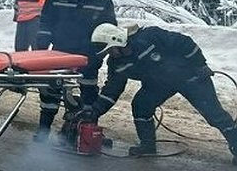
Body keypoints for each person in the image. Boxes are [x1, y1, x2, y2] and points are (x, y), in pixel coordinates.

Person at [90, 23, 237, 163]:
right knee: (141, 105)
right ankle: (148, 146)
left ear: (118, 41)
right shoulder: (117, 64)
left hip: (191, 76)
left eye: (110, 50)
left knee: (214, 114)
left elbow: (185, 42)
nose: (109, 54)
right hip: (160, 84)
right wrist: (95, 111)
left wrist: (200, 64)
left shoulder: (150, 36)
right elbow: (112, 91)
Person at [32, 0, 117, 144]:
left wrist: (99, 54)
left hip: (89, 56)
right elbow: (45, 24)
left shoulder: (103, 2)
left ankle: (87, 130)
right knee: (50, 92)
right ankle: (43, 131)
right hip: (59, 53)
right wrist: (41, 50)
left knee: (89, 93)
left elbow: (109, 30)